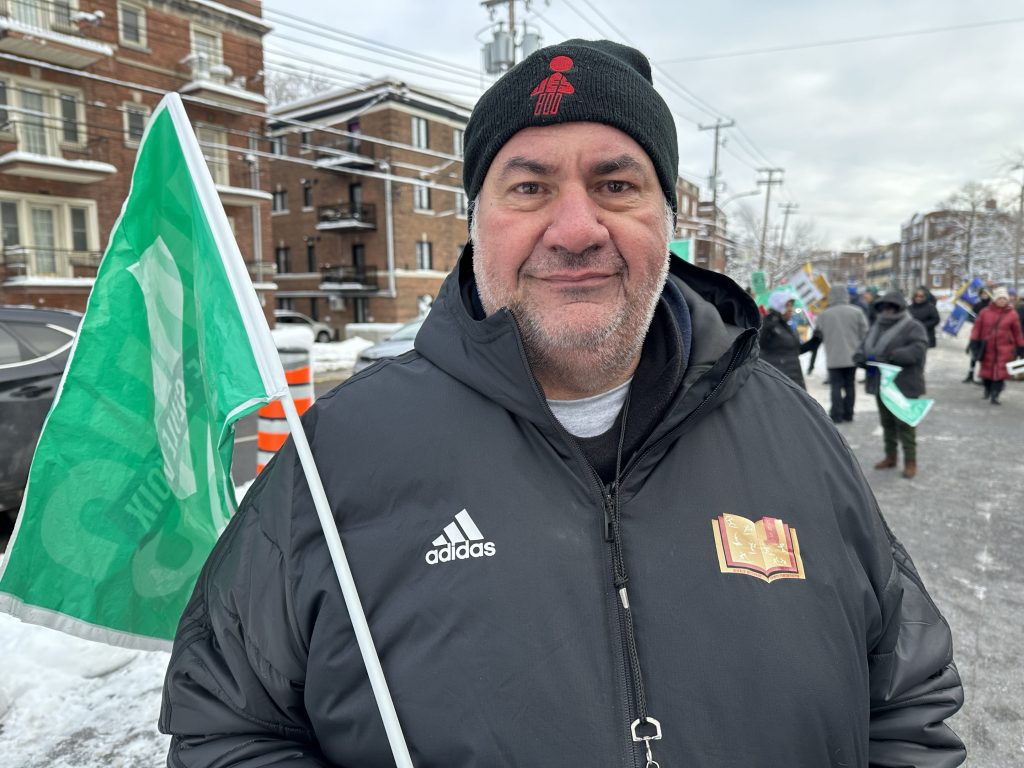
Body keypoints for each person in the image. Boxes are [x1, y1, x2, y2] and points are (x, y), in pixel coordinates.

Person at [160, 39, 966, 767]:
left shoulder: (792, 430)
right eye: (529, 186)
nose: (575, 228)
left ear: (666, 220)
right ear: (476, 224)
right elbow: (224, 729)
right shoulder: (334, 461)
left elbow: (910, 703)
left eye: (616, 184)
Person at [854, 291, 929, 479]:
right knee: (886, 423)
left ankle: (910, 461)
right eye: (883, 308)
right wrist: (861, 358)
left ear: (899, 308)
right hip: (881, 383)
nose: (886, 311)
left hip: (903, 385)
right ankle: (891, 456)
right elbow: (864, 348)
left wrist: (891, 357)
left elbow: (918, 350)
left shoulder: (913, 326)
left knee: (905, 424)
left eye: (891, 307)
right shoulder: (876, 327)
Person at [815, 285, 869, 422]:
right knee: (850, 385)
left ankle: (836, 414)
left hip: (833, 356)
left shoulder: (824, 314)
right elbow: (865, 333)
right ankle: (849, 413)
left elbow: (818, 333)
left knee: (836, 386)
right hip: (852, 356)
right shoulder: (857, 312)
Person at [969, 285, 1024, 404]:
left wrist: (1020, 346)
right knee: (987, 372)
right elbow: (977, 328)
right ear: (995, 299)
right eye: (1000, 298)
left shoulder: (1012, 314)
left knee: (1001, 373)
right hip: (987, 348)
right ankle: (987, 388)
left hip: (1005, 348)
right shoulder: (985, 312)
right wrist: (973, 341)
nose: (1002, 301)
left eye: (1004, 299)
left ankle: (995, 395)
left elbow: (1017, 332)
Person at [757, 289, 819, 388]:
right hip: (778, 381)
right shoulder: (768, 324)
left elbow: (796, 350)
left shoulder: (787, 326)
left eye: (791, 306)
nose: (791, 309)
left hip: (793, 378)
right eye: (788, 305)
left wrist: (815, 340)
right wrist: (767, 324)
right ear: (779, 306)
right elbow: (760, 344)